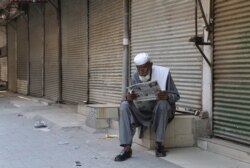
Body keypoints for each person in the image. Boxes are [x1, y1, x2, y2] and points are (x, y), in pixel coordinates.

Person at [114, 52, 180, 161]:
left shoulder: (164, 74)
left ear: (150, 65)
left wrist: (167, 96)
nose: (141, 71)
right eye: (138, 68)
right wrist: (129, 98)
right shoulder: (135, 76)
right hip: (142, 111)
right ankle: (126, 148)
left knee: (162, 104)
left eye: (143, 68)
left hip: (159, 112)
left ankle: (159, 144)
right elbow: (131, 95)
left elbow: (176, 96)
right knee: (124, 105)